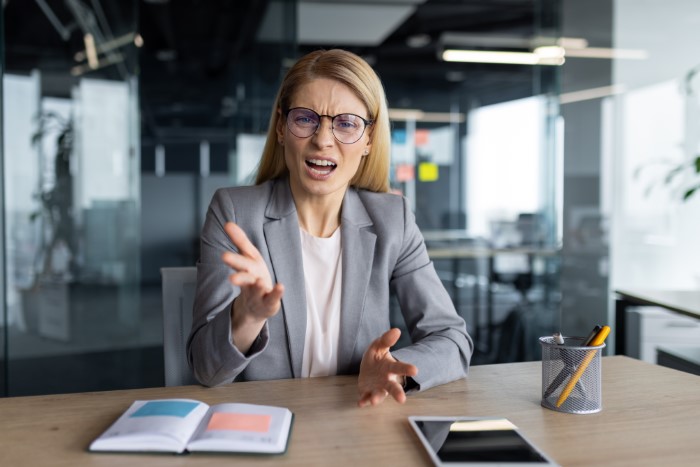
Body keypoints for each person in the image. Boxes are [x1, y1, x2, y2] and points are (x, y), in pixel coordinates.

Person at [187, 49, 473, 407]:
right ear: (281, 127)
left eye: (347, 123)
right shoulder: (235, 212)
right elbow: (206, 369)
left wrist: (393, 371)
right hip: (266, 425)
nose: (323, 139)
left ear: (369, 139)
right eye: (306, 119)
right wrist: (248, 316)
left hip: (356, 420)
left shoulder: (393, 219)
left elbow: (452, 339)